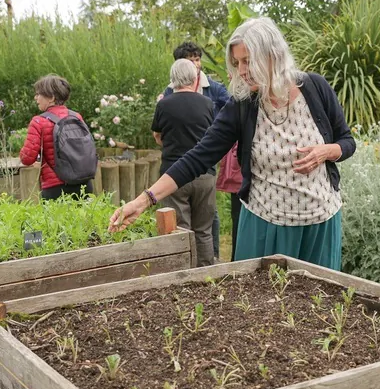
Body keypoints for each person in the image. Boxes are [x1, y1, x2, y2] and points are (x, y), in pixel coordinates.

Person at [109, 17, 355, 270]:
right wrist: (143, 200)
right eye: (237, 63)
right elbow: (197, 157)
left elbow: (347, 142)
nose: (241, 70)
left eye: (248, 60)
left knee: (319, 303)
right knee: (260, 305)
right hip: (265, 225)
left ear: (274, 55)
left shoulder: (315, 87)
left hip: (321, 223)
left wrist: (328, 151)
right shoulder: (243, 104)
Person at [159, 42, 231, 262]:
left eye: (198, 59)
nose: (196, 64)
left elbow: (229, 116)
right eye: (191, 60)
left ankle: (208, 263)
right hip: (192, 168)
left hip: (195, 163)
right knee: (198, 226)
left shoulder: (215, 89)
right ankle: (201, 266)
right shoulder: (173, 94)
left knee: (199, 223)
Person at [153, 59, 216, 266]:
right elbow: (214, 135)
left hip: (173, 175)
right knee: (204, 230)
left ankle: (183, 273)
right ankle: (207, 274)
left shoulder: (163, 104)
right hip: (204, 174)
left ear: (173, 79)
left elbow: (157, 135)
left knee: (179, 229)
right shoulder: (207, 103)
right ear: (194, 78)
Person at [19, 75, 94, 200]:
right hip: (84, 185)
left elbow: (27, 158)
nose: (35, 98)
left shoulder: (39, 121)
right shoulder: (76, 117)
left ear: (51, 98)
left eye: (39, 94)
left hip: (55, 189)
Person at [215, 143, 243, 260]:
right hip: (240, 180)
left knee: (238, 221)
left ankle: (236, 258)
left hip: (239, 178)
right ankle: (236, 258)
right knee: (238, 222)